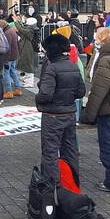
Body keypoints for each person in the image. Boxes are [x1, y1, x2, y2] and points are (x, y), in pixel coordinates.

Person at [81, 28, 110, 194]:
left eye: (98, 38)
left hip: (108, 108)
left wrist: (89, 114)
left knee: (109, 147)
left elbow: (99, 90)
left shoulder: (106, 59)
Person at [38, 32, 84, 185]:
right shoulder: (73, 66)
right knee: (70, 150)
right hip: (69, 113)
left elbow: (45, 94)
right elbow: (81, 91)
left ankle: (52, 185)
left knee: (50, 151)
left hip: (53, 115)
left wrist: (39, 100)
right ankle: (72, 183)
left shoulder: (52, 68)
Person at [0, 19, 22, 97]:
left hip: (9, 57)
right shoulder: (12, 31)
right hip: (15, 55)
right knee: (13, 72)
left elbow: (7, 47)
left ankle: (9, 91)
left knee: (6, 73)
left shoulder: (7, 33)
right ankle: (18, 89)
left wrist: (5, 59)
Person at [17, 16, 39, 89]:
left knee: (29, 66)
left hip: (28, 49)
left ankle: (29, 82)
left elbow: (22, 30)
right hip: (26, 49)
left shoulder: (31, 30)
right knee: (25, 65)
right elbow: (21, 31)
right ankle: (25, 81)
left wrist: (16, 22)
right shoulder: (31, 29)